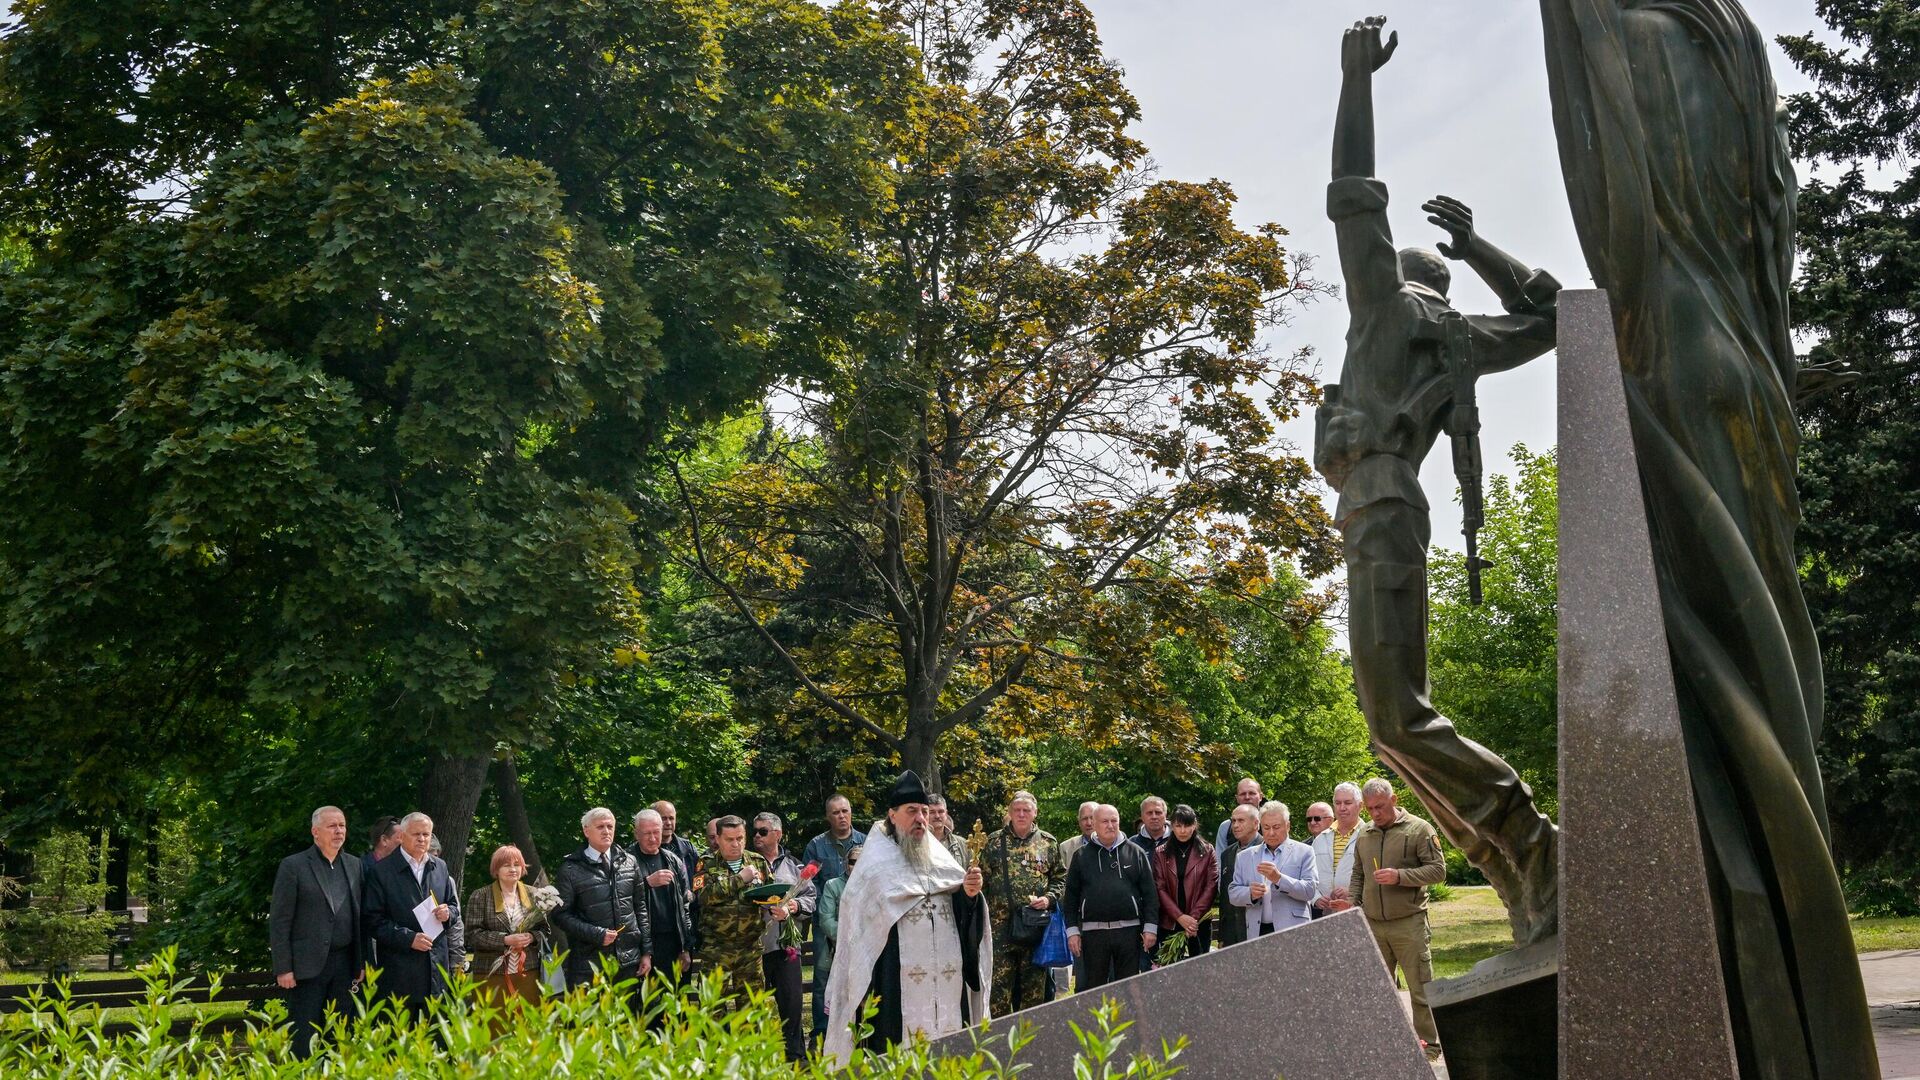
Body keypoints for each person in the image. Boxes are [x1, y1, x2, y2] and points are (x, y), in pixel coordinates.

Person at [1539, 3, 1879, 1071]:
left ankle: (1771, 1012)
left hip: (1676, 354)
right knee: (1770, 651)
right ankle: (1806, 1030)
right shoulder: (1728, 39)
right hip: (1747, 361)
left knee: (1717, 680)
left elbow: (1620, 220)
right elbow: (1769, 223)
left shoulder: (1611, 29)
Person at [1313, 15, 1560, 947]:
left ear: (1397, 281)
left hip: (1380, 508)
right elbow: (1551, 315)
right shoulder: (1460, 333)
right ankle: (1520, 869)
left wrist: (1356, 82)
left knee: (1398, 718)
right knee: (1390, 728)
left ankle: (1532, 845)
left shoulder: (1386, 306)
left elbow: (1352, 194)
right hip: (1385, 510)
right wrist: (1483, 248)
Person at [820, 771, 989, 1066]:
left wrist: (969, 896)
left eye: (924, 811)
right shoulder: (873, 869)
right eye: (912, 811)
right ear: (892, 815)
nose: (921, 818)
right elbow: (857, 933)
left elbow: (963, 919)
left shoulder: (942, 862)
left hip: (946, 989)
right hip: (894, 989)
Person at [1332, 779, 1446, 1057]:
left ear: (1393, 800)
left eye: (1380, 807)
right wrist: (1353, 904)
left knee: (1420, 988)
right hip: (1373, 923)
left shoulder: (1419, 829)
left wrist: (1400, 876)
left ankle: (1429, 1046)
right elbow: (1358, 874)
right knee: (1379, 991)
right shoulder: (1366, 834)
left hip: (1409, 922)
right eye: (1370, 809)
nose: (1375, 814)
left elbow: (1438, 871)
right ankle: (1387, 1045)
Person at [270, 806, 364, 1058]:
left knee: (341, 1034)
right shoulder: (294, 866)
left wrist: (361, 961)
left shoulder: (354, 865)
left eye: (342, 825)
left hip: (345, 964)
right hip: (306, 967)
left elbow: (359, 919)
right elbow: (280, 920)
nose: (339, 831)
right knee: (304, 1036)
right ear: (315, 832)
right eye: (332, 826)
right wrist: (283, 967)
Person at [362, 812, 462, 1019]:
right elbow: (373, 920)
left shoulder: (440, 867)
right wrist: (409, 938)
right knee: (400, 1037)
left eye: (426, 834)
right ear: (401, 836)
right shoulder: (382, 872)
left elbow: (453, 906)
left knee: (435, 1038)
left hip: (436, 969)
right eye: (416, 834)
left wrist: (447, 913)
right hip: (399, 970)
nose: (422, 839)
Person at [980, 790, 1064, 1014]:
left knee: (1034, 992)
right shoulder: (994, 842)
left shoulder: (1048, 842)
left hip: (1034, 928)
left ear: (1035, 813)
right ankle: (997, 1042)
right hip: (1000, 928)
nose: (1021, 814)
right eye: (1016, 810)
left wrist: (1048, 899)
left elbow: (1060, 879)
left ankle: (1030, 1043)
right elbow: (983, 882)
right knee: (998, 992)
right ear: (1009, 812)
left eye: (1026, 810)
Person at [552, 807, 651, 992]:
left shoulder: (629, 862)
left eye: (610, 826)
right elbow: (560, 915)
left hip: (628, 961)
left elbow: (640, 909)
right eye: (600, 827)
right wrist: (596, 933)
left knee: (627, 1018)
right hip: (588, 964)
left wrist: (646, 952)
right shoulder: (570, 869)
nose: (606, 831)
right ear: (586, 831)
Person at [1062, 804, 1156, 992]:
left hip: (1129, 931)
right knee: (1093, 989)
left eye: (1114, 821)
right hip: (1093, 934)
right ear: (1094, 825)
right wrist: (1072, 931)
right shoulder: (1081, 856)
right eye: (1105, 821)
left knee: (1128, 988)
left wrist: (1150, 928)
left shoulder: (1135, 852)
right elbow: (1070, 896)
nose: (1110, 825)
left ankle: (1128, 1021)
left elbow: (1150, 893)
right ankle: (1095, 1023)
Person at [802, 794, 868, 1041]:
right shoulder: (816, 846)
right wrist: (830, 917)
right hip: (826, 923)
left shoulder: (866, 842)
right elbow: (810, 885)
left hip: (863, 925)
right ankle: (822, 1031)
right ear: (828, 817)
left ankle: (859, 1029)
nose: (841, 816)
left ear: (851, 812)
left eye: (845, 811)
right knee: (822, 978)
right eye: (836, 813)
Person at [752, 812, 815, 1061]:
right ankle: (759, 1060)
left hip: (787, 947)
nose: (756, 835)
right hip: (755, 948)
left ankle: (796, 1058)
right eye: (755, 831)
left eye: (763, 831)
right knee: (756, 1008)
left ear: (777, 834)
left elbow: (811, 898)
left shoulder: (795, 866)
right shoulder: (749, 864)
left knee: (791, 1006)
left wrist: (792, 908)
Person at [699, 815, 773, 995]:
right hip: (716, 949)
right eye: (729, 839)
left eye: (740, 838)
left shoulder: (758, 862)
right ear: (718, 839)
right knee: (711, 1010)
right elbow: (703, 897)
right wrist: (740, 879)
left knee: (751, 1013)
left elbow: (772, 895)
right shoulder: (706, 864)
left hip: (750, 949)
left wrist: (781, 906)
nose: (736, 844)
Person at [466, 844, 548, 1004]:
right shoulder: (480, 896)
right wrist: (505, 940)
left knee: (525, 1024)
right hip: (491, 974)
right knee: (493, 1025)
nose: (513, 869)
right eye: (506, 865)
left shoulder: (535, 894)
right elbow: (471, 936)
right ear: (496, 870)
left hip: (528, 972)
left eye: (517, 864)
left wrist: (531, 937)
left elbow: (545, 931)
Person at [1229, 802, 1317, 939]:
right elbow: (1233, 893)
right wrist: (1250, 893)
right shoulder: (1244, 856)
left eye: (1276, 827)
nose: (1271, 833)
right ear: (1260, 827)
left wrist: (1279, 879)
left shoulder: (1304, 851)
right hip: (1257, 930)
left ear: (1287, 826)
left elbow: (1310, 890)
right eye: (1266, 827)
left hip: (1293, 929)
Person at [629, 809, 693, 987]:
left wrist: (685, 947)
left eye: (656, 832)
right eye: (646, 833)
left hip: (671, 942)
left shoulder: (673, 860)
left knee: (670, 1000)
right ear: (636, 833)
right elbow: (620, 899)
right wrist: (647, 883)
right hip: (639, 941)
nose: (652, 838)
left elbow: (684, 906)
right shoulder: (625, 861)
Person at [1152, 805, 1216, 961]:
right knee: (1170, 972)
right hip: (1170, 922)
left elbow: (1211, 886)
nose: (1182, 831)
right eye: (1178, 826)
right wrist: (1180, 917)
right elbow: (1159, 888)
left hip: (1198, 922)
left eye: (1187, 825)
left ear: (1194, 825)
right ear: (1171, 826)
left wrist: (1192, 919)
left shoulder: (1207, 851)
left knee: (1199, 970)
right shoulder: (1160, 853)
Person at [814, 843, 861, 1034]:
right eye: (852, 862)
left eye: (861, 862)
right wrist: (851, 940)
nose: (856, 866)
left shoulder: (875, 885)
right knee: (838, 1001)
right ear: (845, 864)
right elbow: (826, 920)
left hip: (870, 952)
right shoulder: (832, 885)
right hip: (838, 952)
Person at [1055, 801, 1098, 990]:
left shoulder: (1119, 845)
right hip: (1078, 918)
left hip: (1109, 918)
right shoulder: (1066, 848)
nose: (1089, 822)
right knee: (1083, 975)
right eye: (1084, 819)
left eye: (1092, 818)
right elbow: (1061, 882)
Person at [651, 800, 703, 948]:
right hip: (658, 922)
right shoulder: (643, 849)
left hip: (686, 918)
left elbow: (700, 875)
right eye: (663, 818)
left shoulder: (688, 848)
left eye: (671, 818)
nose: (668, 823)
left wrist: (693, 893)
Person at [1312, 783, 1364, 919]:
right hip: (1325, 914)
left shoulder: (1370, 835)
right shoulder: (1320, 839)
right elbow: (1308, 875)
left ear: (1360, 806)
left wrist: (1352, 892)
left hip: (1358, 910)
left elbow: (1375, 875)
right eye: (1337, 803)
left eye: (1348, 803)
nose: (1342, 808)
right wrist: (1316, 898)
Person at [1215, 804, 1260, 949]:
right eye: (1233, 821)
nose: (1235, 825)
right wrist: (1222, 935)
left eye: (1241, 821)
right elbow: (1225, 898)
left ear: (1256, 823)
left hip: (1260, 929)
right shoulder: (1227, 854)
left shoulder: (1267, 848)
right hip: (1232, 933)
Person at [1214, 779, 1264, 851]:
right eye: (1243, 794)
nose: (1247, 797)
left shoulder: (1272, 824)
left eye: (1252, 793)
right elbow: (1221, 859)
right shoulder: (1226, 827)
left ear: (1260, 797)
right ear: (1237, 798)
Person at [928, 793, 969, 866]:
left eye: (941, 812)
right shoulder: (915, 843)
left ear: (946, 814)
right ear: (925, 814)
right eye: (932, 812)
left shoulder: (962, 845)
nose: (937, 816)